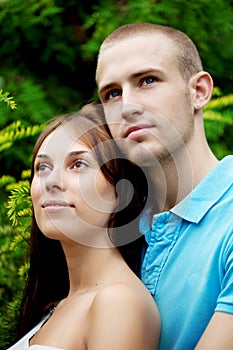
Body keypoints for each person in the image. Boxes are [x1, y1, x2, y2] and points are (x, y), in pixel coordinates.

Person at [96, 22, 233, 349]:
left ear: (198, 91)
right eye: (112, 93)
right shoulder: (108, 227)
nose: (127, 105)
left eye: (147, 81)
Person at [8, 103, 160, 350]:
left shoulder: (119, 302)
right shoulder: (54, 306)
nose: (51, 183)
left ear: (121, 192)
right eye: (43, 167)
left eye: (78, 164)